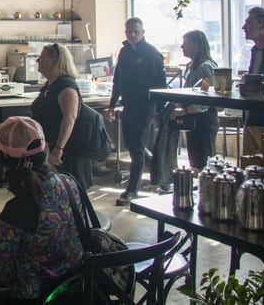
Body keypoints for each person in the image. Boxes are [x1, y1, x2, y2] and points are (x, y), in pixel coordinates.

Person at [0, 117, 84, 305]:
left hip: (36, 296)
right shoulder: (68, 183)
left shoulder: (17, 210)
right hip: (73, 289)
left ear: (5, 159)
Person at [105, 17, 166, 206]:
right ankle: (160, 168)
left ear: (143, 32)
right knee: (132, 145)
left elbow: (160, 85)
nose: (132, 34)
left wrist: (158, 111)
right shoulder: (124, 52)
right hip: (128, 105)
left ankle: (132, 190)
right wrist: (112, 104)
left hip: (145, 106)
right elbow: (118, 80)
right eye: (129, 31)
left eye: (135, 31)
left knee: (137, 148)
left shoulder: (151, 54)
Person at [152, 30, 220, 189]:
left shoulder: (205, 67)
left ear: (196, 46)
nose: (182, 46)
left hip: (204, 122)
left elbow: (208, 96)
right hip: (195, 122)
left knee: (205, 162)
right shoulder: (192, 66)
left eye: (185, 43)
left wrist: (186, 110)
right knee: (196, 161)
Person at [30, 43, 93, 190]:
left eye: (42, 57)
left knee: (70, 194)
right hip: (49, 146)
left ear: (55, 60)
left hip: (67, 152)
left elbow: (69, 118)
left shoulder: (66, 85)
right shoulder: (50, 84)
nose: (38, 61)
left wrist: (58, 149)